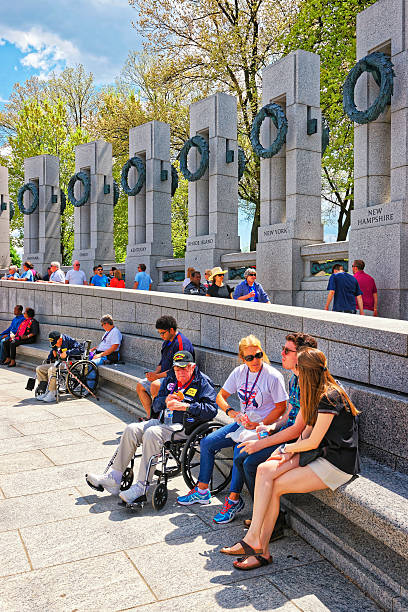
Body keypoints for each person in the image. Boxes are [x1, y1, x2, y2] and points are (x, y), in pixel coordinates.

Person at [221, 347, 360, 570]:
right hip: (316, 453)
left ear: (307, 372)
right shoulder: (313, 391)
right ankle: (256, 542)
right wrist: (284, 452)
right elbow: (305, 432)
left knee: (275, 486)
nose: (295, 373)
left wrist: (286, 449)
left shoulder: (329, 396)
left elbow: (313, 441)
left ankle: (258, 546)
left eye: (298, 369)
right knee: (266, 471)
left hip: (335, 463)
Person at [177, 335, 288, 524]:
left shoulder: (272, 376)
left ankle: (233, 500)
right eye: (249, 357)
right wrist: (232, 412)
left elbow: (281, 407)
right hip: (242, 423)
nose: (255, 360)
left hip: (264, 426)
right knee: (208, 442)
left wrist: (261, 423)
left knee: (240, 450)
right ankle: (203, 489)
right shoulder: (239, 372)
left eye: (258, 355)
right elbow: (221, 395)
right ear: (242, 358)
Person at [86, 350, 218, 505]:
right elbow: (156, 404)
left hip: (185, 425)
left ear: (192, 366)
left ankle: (142, 487)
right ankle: (115, 477)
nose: (180, 372)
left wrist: (186, 406)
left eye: (184, 368)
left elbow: (211, 410)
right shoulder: (171, 378)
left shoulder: (202, 381)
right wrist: (165, 400)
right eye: (177, 369)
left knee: (152, 433)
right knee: (131, 429)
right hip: (164, 421)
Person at [235, 332, 317, 538]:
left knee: (251, 463)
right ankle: (262, 515)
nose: (281, 353)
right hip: (286, 432)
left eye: (287, 351)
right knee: (241, 456)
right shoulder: (294, 378)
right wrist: (270, 427)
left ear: (301, 356)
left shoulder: (309, 383)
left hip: (301, 441)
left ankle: (274, 523)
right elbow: (289, 413)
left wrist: (263, 444)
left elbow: (298, 430)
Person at [136, 315, 195, 417]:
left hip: (178, 378)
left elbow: (180, 368)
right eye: (159, 333)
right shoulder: (166, 342)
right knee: (140, 385)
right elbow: (162, 362)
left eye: (163, 333)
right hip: (165, 376)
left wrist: (157, 377)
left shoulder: (181, 343)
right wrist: (154, 374)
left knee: (155, 385)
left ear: (171, 330)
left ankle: (157, 418)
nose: (161, 336)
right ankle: (150, 416)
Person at [35, 331, 84, 402]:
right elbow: (53, 351)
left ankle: (53, 393)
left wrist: (67, 353)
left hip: (70, 362)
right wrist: (50, 358)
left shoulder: (68, 340)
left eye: (56, 343)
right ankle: (45, 390)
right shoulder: (56, 343)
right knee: (40, 368)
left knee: (52, 369)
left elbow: (80, 349)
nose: (55, 345)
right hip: (59, 363)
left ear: (60, 339)